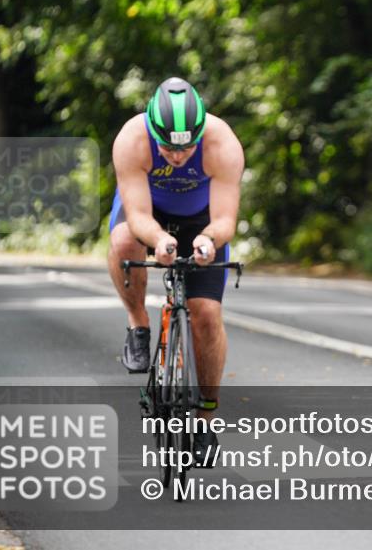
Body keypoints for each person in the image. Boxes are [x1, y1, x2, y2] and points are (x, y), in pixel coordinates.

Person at [107, 77, 243, 464]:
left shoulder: (223, 143)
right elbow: (136, 215)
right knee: (122, 243)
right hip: (150, 214)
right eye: (168, 147)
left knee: (206, 315)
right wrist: (160, 239)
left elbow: (225, 220)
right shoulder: (131, 139)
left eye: (186, 147)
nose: (178, 155)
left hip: (203, 219)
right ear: (153, 131)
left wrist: (208, 240)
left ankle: (204, 419)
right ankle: (138, 326)